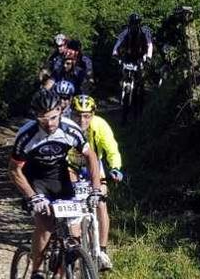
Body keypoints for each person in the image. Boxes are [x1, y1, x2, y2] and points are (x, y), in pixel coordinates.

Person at [9, 89, 104, 279]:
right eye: (44, 119)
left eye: (53, 117)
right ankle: (36, 270)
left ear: (61, 110)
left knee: (74, 234)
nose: (50, 124)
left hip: (59, 178)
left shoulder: (70, 129)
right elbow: (14, 170)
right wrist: (31, 196)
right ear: (36, 116)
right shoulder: (26, 136)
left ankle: (62, 271)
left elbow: (91, 156)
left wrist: (96, 188)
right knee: (46, 224)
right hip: (34, 179)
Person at [68, 95, 124, 272]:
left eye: (86, 115)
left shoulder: (100, 125)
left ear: (93, 114)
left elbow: (112, 149)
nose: (82, 120)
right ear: (71, 114)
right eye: (78, 115)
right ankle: (75, 250)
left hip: (93, 166)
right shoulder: (65, 126)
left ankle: (102, 250)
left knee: (101, 202)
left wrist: (115, 168)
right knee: (73, 203)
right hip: (71, 166)